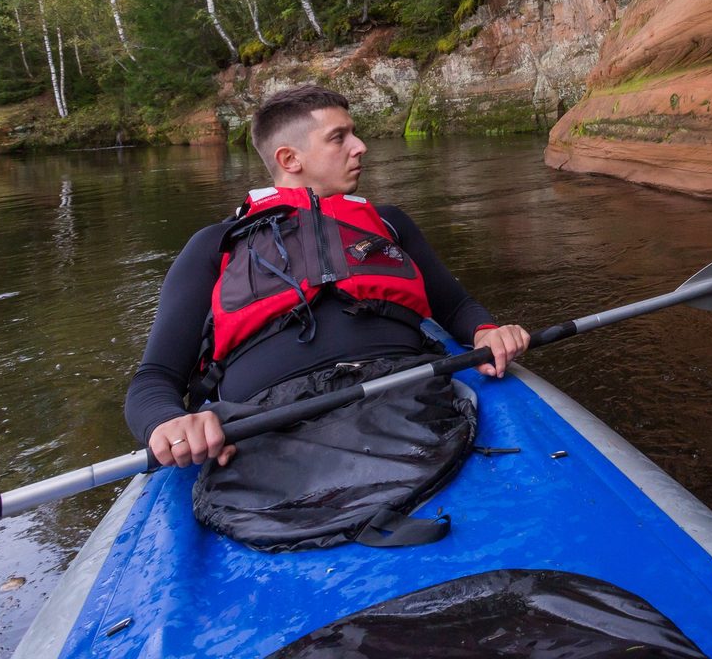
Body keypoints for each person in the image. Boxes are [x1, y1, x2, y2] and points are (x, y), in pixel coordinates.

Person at [123, 83, 529, 548]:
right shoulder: (215, 246)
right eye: (340, 138)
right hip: (268, 425)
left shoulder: (389, 221)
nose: (360, 147)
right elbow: (154, 380)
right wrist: (167, 424)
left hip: (403, 391)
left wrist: (487, 330)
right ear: (289, 159)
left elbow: (455, 307)